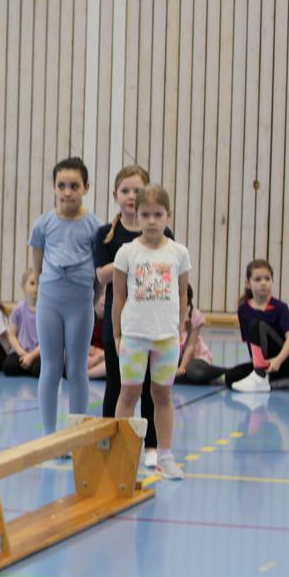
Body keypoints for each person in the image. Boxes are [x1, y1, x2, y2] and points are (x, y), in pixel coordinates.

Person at [111, 184, 191, 480]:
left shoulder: (179, 253)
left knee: (163, 395)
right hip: (134, 335)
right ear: (136, 214)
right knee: (128, 394)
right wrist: (117, 334)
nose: (152, 221)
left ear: (169, 214)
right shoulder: (127, 252)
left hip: (166, 337)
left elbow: (182, 294)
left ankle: (165, 455)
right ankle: (122, 455)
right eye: (145, 214)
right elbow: (118, 298)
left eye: (158, 214)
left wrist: (179, 328)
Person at [93, 166, 166, 465]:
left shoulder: (162, 234)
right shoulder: (106, 235)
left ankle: (151, 446)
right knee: (116, 384)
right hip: (119, 320)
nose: (131, 196)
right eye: (125, 191)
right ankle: (110, 440)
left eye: (137, 190)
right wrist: (132, 256)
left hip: (153, 321)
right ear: (115, 195)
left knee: (151, 387)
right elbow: (102, 275)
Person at [30, 157, 103, 437]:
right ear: (54, 187)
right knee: (50, 367)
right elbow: (37, 265)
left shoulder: (95, 227)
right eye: (61, 186)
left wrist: (92, 299)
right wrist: (42, 290)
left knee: (77, 368)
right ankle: (49, 433)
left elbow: (99, 274)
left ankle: (76, 433)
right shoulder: (43, 224)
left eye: (74, 186)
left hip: (80, 303)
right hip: (50, 301)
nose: (67, 192)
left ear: (86, 187)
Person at [229, 260, 289, 393]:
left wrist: (278, 360)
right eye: (258, 279)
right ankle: (275, 381)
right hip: (264, 363)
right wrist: (258, 365)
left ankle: (264, 377)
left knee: (256, 324)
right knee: (231, 378)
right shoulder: (243, 309)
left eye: (267, 279)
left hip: (285, 361)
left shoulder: (280, 307)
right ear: (248, 283)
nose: (263, 283)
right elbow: (251, 344)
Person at [174, 284, 227, 385]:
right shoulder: (168, 315)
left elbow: (191, 346)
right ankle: (207, 380)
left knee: (193, 371)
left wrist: (182, 368)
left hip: (196, 359)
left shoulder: (194, 316)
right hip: (177, 359)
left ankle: (225, 373)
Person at [4, 268, 41, 378]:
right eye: (32, 283)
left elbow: (47, 341)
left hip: (39, 352)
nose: (36, 287)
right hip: (22, 350)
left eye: (40, 284)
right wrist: (22, 353)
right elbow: (11, 335)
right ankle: (27, 365)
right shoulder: (18, 309)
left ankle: (29, 365)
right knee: (8, 367)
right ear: (23, 286)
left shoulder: (47, 311)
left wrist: (31, 356)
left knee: (38, 370)